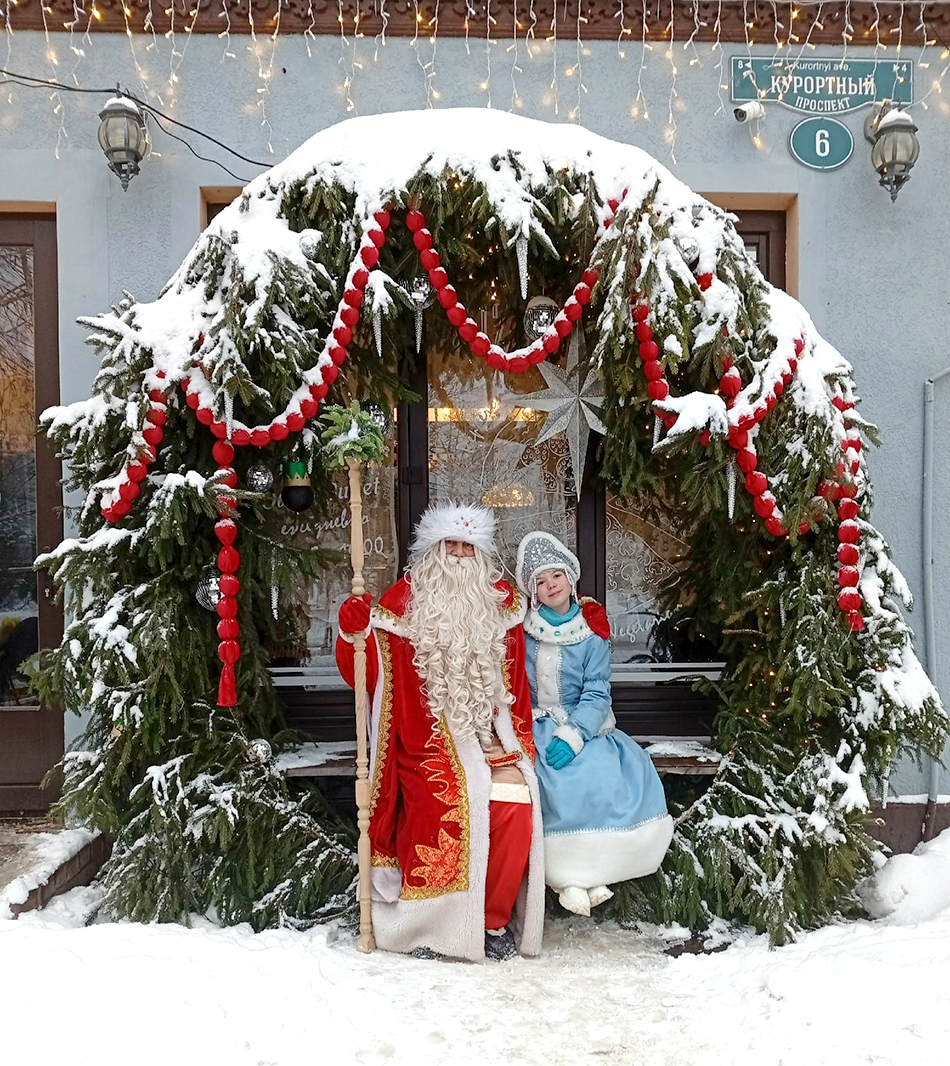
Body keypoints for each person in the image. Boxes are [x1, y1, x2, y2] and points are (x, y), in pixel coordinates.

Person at [336, 501, 544, 961]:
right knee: (443, 803)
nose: (460, 555)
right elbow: (364, 675)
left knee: (516, 803)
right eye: (451, 545)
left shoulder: (502, 606)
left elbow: (517, 688)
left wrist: (516, 745)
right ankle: (429, 928)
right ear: (432, 551)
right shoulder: (398, 609)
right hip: (426, 743)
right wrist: (352, 634)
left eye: (469, 547)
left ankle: (490, 921)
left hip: (490, 739)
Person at [516, 531, 674, 916]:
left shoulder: (591, 633)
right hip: (538, 724)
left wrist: (575, 733)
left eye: (556, 575)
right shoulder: (524, 632)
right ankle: (567, 878)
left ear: (570, 578)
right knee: (554, 782)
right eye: (541, 581)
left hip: (585, 724)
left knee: (600, 774)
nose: (551, 585)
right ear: (534, 592)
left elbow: (597, 693)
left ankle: (596, 871)